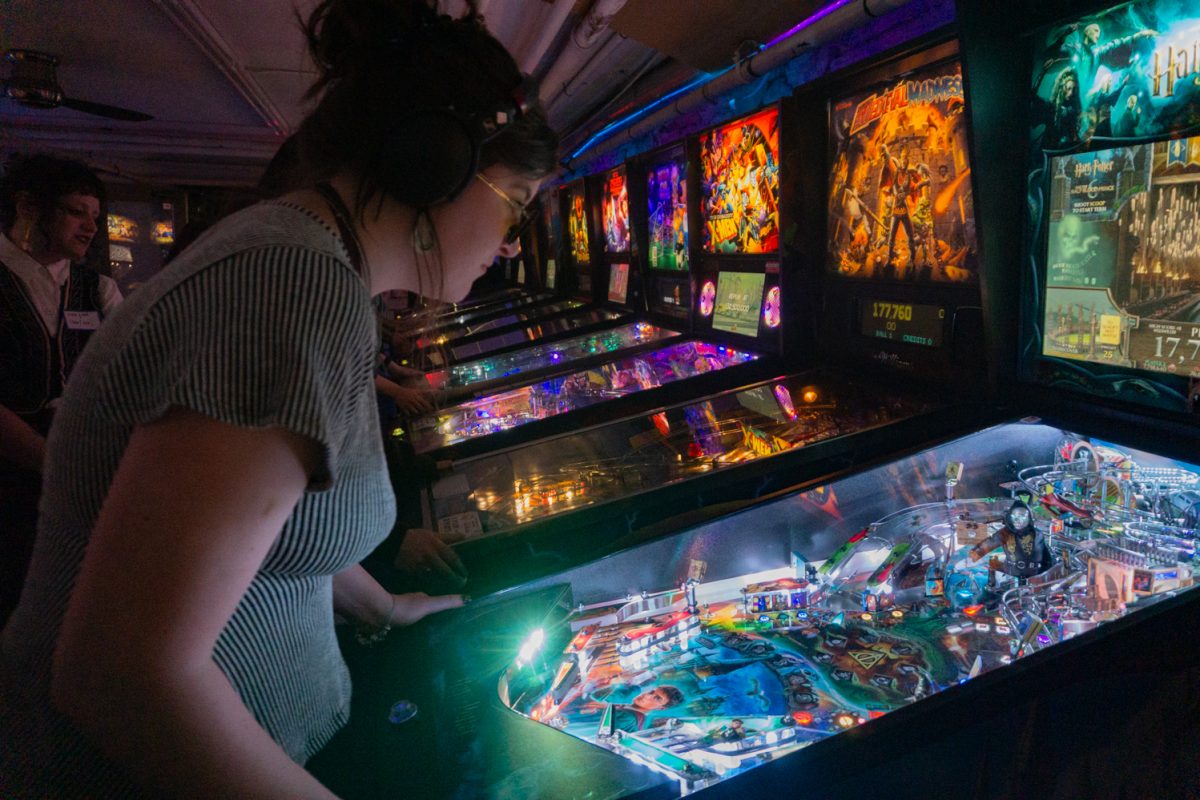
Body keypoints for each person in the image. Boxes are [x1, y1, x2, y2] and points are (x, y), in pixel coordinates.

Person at [0, 1, 557, 798]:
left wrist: (383, 608)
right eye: (517, 202)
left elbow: (263, 523)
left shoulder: (308, 264)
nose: (511, 242)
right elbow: (122, 681)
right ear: (437, 166)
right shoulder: (290, 287)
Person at [0, 154, 121, 625]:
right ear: (28, 208)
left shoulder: (98, 289)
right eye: (76, 212)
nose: (91, 227)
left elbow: (125, 376)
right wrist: (54, 463)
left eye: (95, 216)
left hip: (77, 472)